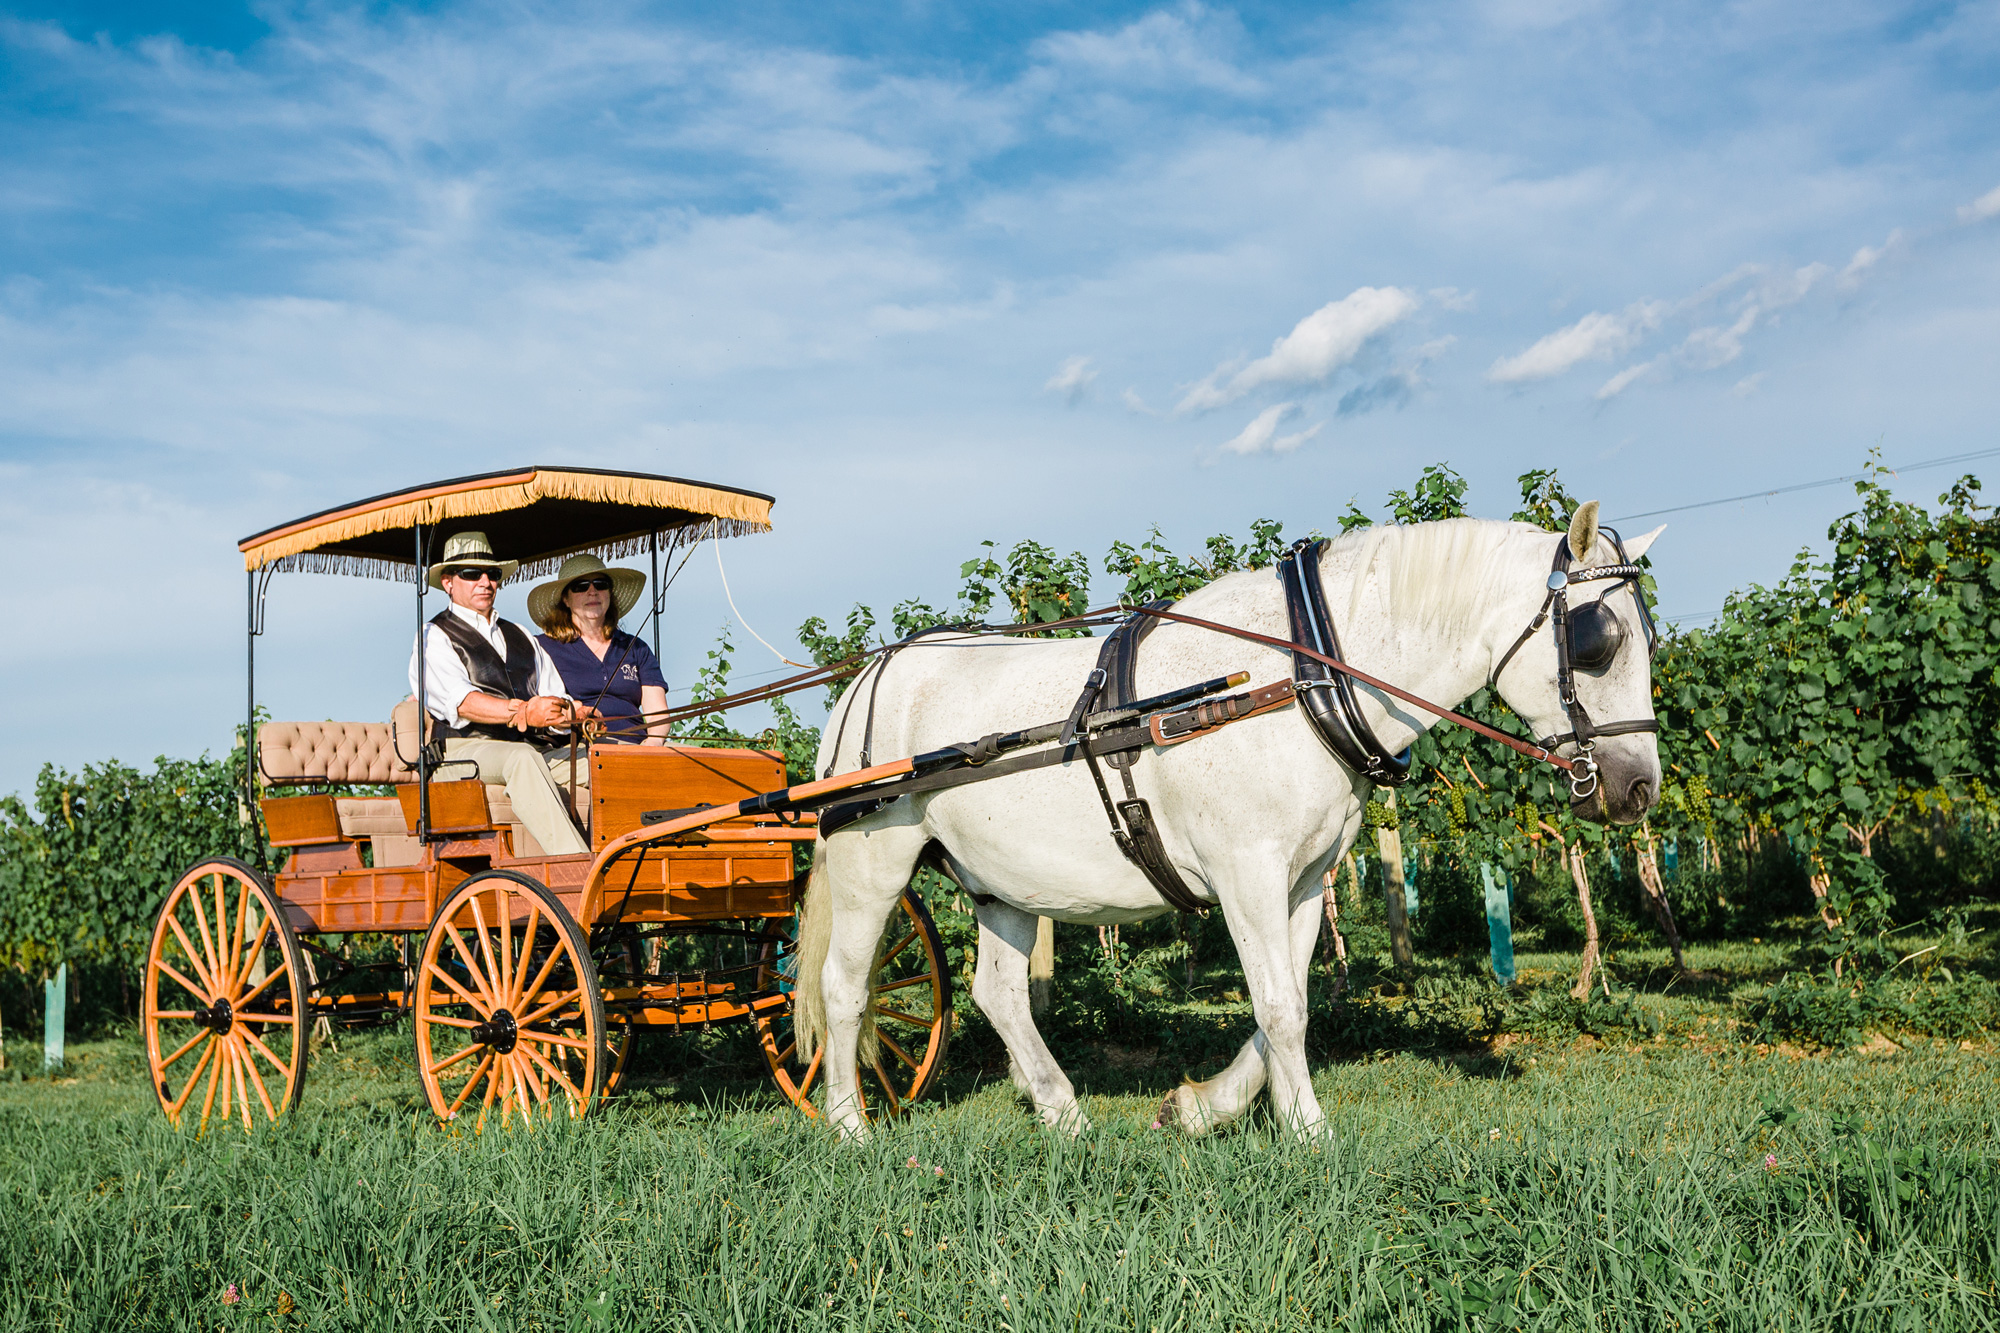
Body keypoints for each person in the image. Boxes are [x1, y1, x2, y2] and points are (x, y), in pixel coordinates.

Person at [407, 531, 595, 857]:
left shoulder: (520, 634)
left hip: (530, 748)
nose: (485, 581)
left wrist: (572, 713)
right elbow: (463, 702)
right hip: (459, 751)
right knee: (522, 759)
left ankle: (639, 855)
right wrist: (522, 713)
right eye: (471, 574)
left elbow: (553, 695)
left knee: (602, 761)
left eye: (492, 574)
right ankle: (576, 865)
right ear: (448, 582)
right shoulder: (434, 635)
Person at [527, 555, 670, 745]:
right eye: (581, 586)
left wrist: (654, 743)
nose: (592, 591)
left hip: (640, 745)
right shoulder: (543, 648)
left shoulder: (636, 647)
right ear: (566, 599)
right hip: (580, 747)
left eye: (600, 584)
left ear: (609, 593)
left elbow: (657, 714)